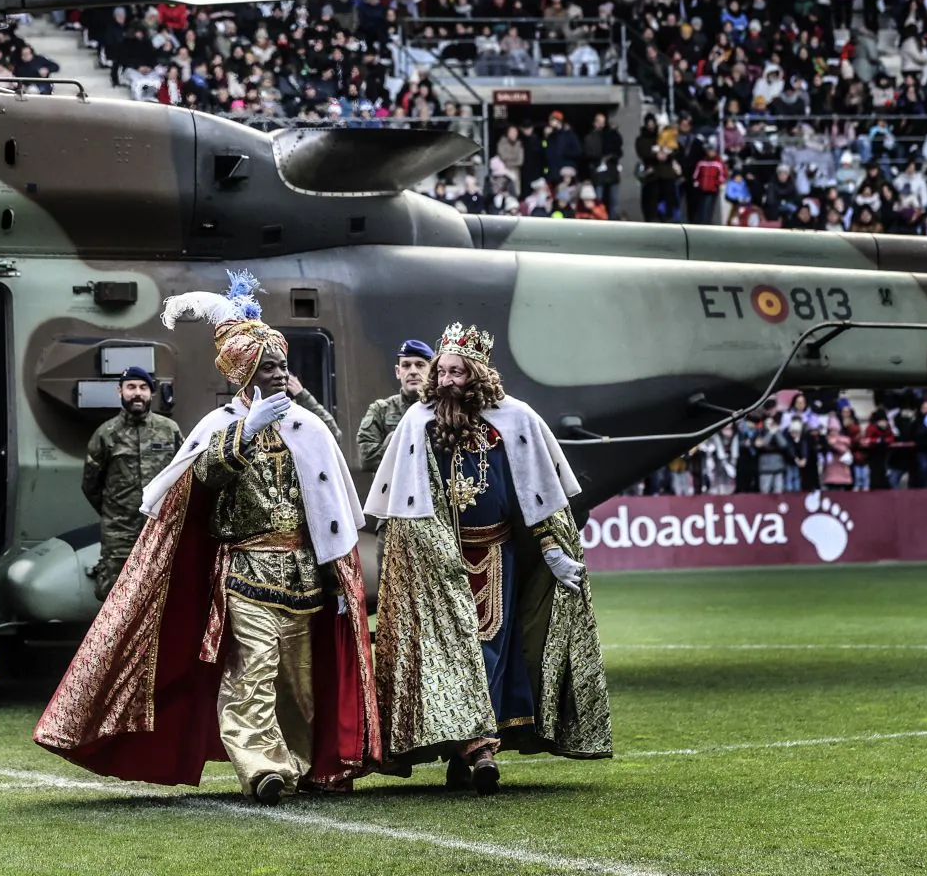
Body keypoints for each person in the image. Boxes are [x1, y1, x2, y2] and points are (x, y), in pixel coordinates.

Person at [36, 271, 378, 803]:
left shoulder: (308, 427)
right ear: (244, 374)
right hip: (245, 571)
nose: (280, 375)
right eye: (269, 367)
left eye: (284, 365)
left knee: (300, 680)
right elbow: (202, 475)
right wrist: (246, 430)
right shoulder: (218, 425)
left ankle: (304, 763)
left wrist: (338, 575)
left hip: (304, 573)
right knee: (253, 668)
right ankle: (261, 767)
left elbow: (331, 507)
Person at [364, 323, 611, 791]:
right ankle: (475, 752)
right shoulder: (418, 422)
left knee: (490, 651)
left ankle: (475, 750)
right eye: (442, 372)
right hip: (433, 563)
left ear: (476, 374)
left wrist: (553, 550)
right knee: (448, 655)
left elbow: (536, 494)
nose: (446, 381)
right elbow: (399, 502)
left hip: (497, 553)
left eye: (457, 372)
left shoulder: (515, 420)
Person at [81, 366, 183, 598]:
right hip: (120, 535)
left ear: (151, 393)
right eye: (131, 387)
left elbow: (183, 476)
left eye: (143, 388)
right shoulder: (105, 434)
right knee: (116, 597)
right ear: (120, 392)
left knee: (161, 595)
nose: (137, 393)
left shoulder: (170, 431)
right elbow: (91, 485)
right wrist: (115, 513)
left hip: (160, 530)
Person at [356, 339, 434, 472]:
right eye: (406, 365)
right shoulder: (380, 410)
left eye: (420, 365)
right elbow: (366, 459)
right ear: (398, 372)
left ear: (432, 372)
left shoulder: (441, 410)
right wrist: (396, 441)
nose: (413, 371)